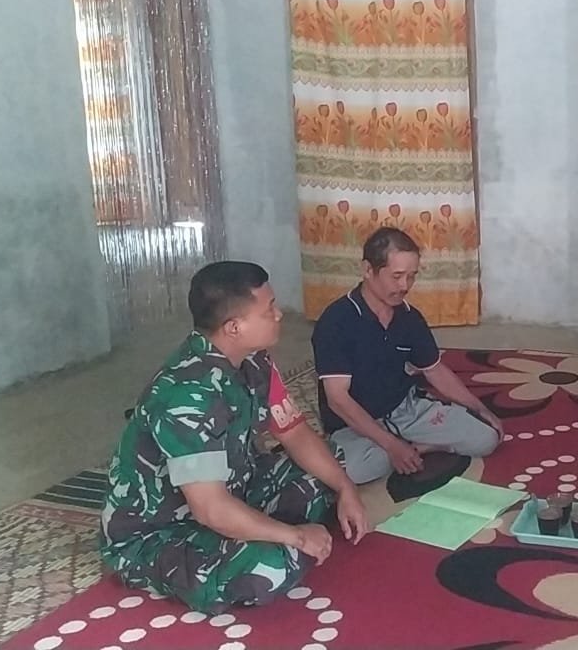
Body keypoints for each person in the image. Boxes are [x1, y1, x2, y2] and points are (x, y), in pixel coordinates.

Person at [99, 261, 367, 614]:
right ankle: (260, 542)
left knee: (328, 467)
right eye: (269, 309)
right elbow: (209, 508)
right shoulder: (187, 394)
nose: (279, 315)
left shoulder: (255, 361)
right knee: (269, 567)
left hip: (233, 487)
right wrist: (297, 535)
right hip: (165, 529)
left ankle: (262, 531)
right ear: (234, 327)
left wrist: (347, 489)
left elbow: (295, 432)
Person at [313, 227, 503, 485]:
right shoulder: (336, 322)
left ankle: (414, 448)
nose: (405, 286)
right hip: (355, 424)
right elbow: (338, 400)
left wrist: (479, 408)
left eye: (411, 276)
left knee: (486, 436)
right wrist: (391, 445)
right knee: (353, 471)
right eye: (397, 276)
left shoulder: (409, 317)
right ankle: (402, 448)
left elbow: (434, 370)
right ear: (367, 270)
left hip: (406, 410)